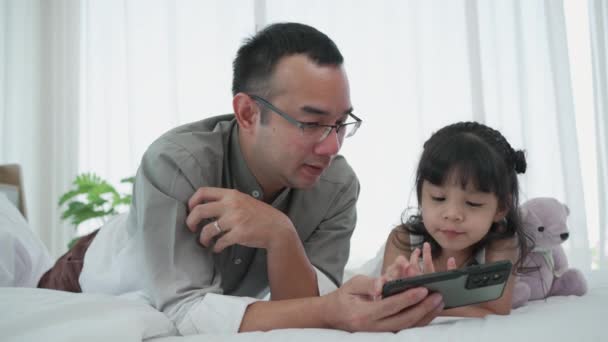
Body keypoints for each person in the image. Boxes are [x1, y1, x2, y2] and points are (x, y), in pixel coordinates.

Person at [38, 22, 444, 334]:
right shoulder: (177, 162)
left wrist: (280, 234)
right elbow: (184, 310)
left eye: (341, 123)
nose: (332, 146)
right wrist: (332, 308)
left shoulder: (337, 185)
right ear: (248, 113)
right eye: (312, 123)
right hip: (88, 272)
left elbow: (304, 310)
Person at [381, 121, 531, 317]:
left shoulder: (501, 244)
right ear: (421, 196)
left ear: (501, 208)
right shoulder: (403, 238)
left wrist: (427, 301)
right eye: (438, 198)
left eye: (473, 203)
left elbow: (497, 309)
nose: (452, 214)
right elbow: (387, 303)